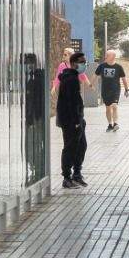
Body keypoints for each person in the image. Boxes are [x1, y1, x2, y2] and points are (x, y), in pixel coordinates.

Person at [55, 51, 90, 188]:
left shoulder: (74, 77)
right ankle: (67, 177)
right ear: (75, 64)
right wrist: (76, 122)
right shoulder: (70, 79)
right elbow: (71, 103)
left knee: (81, 146)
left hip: (77, 120)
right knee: (70, 148)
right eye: (82, 62)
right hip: (70, 122)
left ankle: (77, 173)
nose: (84, 64)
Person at [95, 49, 129, 133]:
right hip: (105, 90)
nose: (105, 56)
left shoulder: (118, 67)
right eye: (105, 55)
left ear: (112, 57)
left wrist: (126, 89)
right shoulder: (101, 66)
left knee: (114, 106)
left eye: (107, 55)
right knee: (108, 108)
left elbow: (124, 79)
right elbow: (95, 75)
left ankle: (115, 123)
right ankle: (110, 124)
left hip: (115, 90)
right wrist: (91, 85)